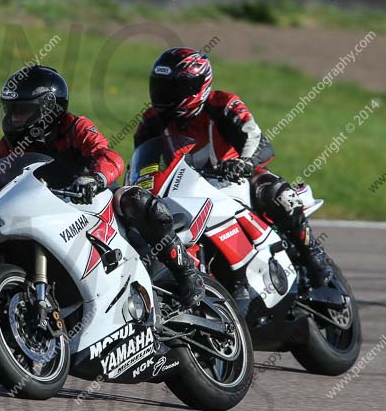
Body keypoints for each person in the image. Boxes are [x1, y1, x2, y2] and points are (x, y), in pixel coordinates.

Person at [0, 65, 205, 306]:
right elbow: (2, 180)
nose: (14, 118)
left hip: (94, 200)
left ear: (48, 108)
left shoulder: (76, 127)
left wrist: (94, 179)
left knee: (132, 198)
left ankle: (186, 273)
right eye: (11, 111)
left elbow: (109, 157)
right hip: (49, 208)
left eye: (22, 111)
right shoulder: (8, 146)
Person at [134, 48, 333, 287]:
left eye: (175, 89)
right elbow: (145, 161)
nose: (165, 95)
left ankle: (312, 256)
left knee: (277, 194)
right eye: (161, 86)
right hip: (186, 189)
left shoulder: (223, 104)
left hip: (234, 180)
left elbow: (256, 139)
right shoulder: (151, 121)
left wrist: (243, 163)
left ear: (199, 87)